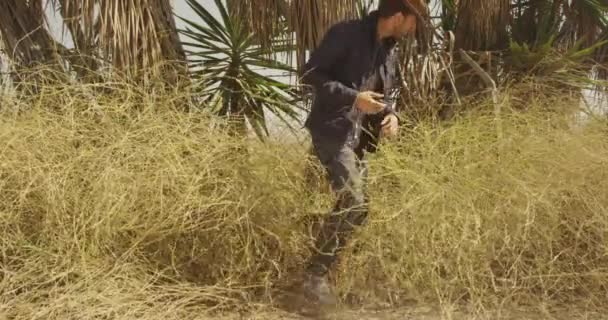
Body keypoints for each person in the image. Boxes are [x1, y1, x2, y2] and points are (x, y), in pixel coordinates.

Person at [291, 0, 427, 313]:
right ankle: (313, 278)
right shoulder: (346, 33)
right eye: (413, 21)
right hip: (333, 131)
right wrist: (354, 98)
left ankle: (319, 274)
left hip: (361, 142)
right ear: (397, 17)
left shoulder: (388, 50)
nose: (414, 28)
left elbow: (382, 94)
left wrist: (392, 115)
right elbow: (310, 74)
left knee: (360, 209)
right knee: (353, 200)